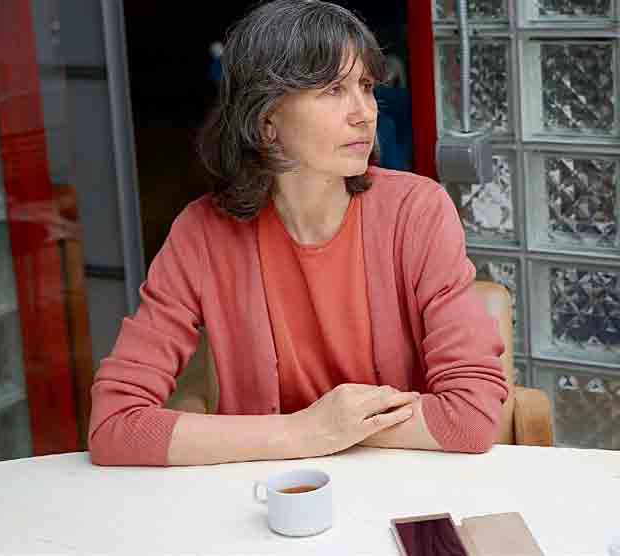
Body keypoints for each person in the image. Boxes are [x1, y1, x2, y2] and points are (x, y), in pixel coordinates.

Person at [88, 0, 508, 467]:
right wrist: (301, 432)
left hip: (402, 487)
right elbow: (115, 426)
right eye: (332, 90)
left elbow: (470, 417)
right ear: (266, 121)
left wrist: (330, 434)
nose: (364, 113)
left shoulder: (417, 211)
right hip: (267, 498)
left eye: (366, 87)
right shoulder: (201, 234)